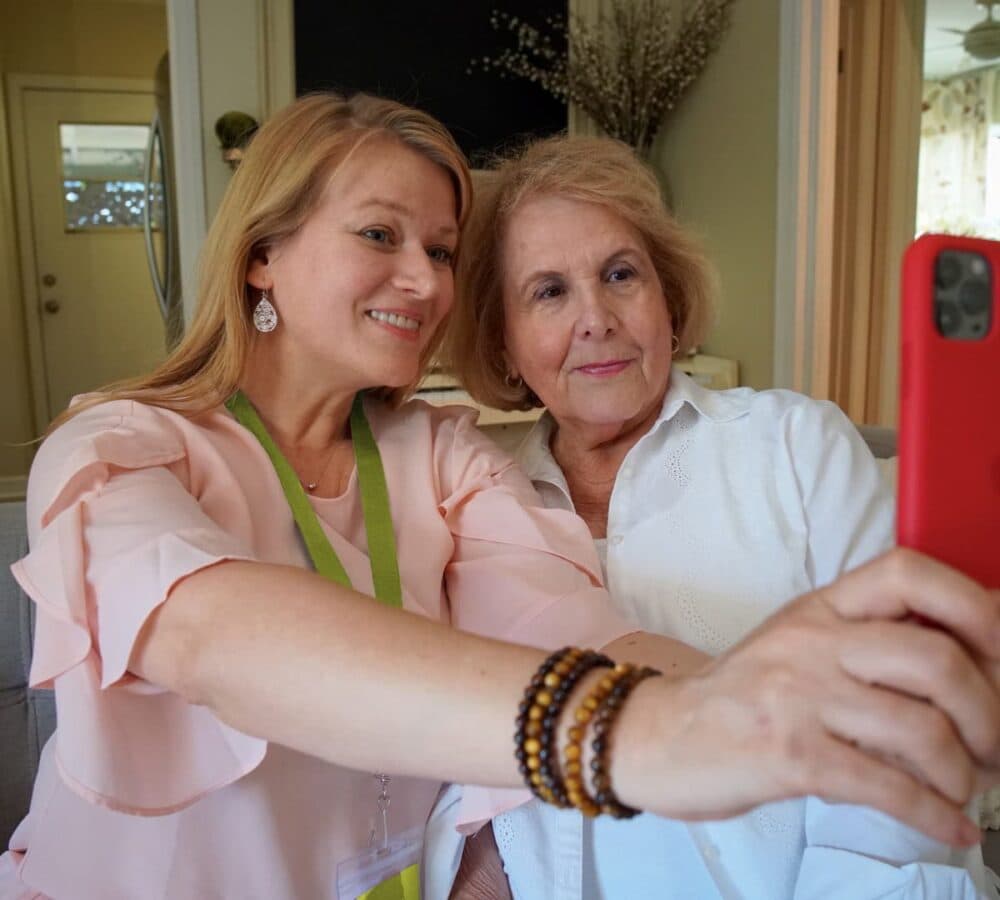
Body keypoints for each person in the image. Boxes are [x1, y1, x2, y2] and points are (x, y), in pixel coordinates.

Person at [2, 94, 1000, 900]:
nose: (423, 280)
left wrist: (763, 693)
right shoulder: (118, 444)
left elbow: (581, 632)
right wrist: (652, 732)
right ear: (263, 252)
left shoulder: (440, 456)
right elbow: (203, 630)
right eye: (381, 234)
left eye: (440, 251)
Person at [447, 134, 1000, 898]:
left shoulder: (797, 446)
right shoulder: (475, 496)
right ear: (504, 344)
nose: (595, 318)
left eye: (620, 274)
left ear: (669, 303)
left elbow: (907, 736)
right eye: (548, 292)